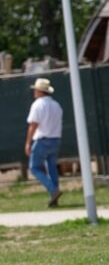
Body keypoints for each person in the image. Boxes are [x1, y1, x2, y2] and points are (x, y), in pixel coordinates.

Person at [24, 77, 63, 207]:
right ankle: (55, 198)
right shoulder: (56, 105)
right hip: (55, 139)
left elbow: (33, 125)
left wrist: (28, 142)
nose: (34, 92)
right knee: (51, 168)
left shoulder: (38, 104)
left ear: (40, 91)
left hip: (42, 139)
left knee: (34, 167)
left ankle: (53, 190)